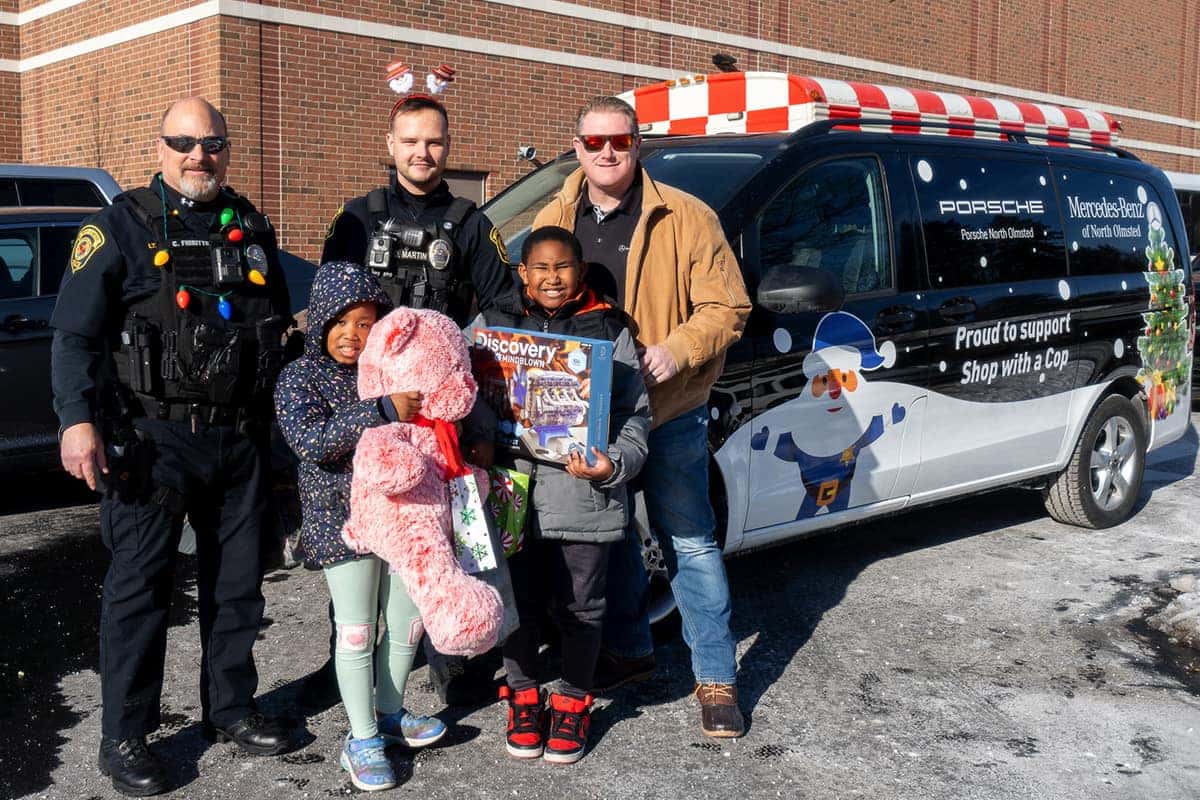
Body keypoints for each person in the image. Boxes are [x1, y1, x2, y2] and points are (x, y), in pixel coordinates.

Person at [51, 97, 294, 796]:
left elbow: (274, 324)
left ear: (226, 147)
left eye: (212, 141)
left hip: (238, 439)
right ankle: (125, 734)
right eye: (183, 142)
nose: (199, 155)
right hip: (151, 440)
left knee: (238, 586)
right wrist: (77, 420)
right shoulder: (118, 227)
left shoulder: (250, 226)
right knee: (141, 591)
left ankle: (230, 709)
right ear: (159, 147)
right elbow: (73, 336)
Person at [531, 96, 753, 738]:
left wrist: (674, 350)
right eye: (594, 140)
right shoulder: (555, 213)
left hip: (668, 408)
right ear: (576, 146)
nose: (606, 152)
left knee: (688, 539)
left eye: (620, 142)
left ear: (638, 146)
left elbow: (727, 307)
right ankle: (629, 652)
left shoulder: (685, 216)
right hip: (587, 416)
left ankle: (716, 678)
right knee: (612, 537)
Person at [315, 92, 516, 706]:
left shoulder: (471, 222)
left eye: (433, 141)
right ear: (390, 145)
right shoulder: (356, 219)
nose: (421, 152)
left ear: (447, 147)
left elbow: (503, 304)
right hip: (373, 407)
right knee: (372, 536)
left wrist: (472, 382)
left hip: (441, 412)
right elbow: (329, 310)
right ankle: (353, 670)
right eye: (410, 141)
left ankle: (457, 663)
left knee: (446, 532)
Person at [468, 226, 649, 764]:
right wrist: (476, 433)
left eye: (563, 267)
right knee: (514, 602)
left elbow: (636, 415)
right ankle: (524, 695)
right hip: (510, 490)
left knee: (583, 606)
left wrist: (612, 463)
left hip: (582, 495)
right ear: (523, 272)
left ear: (580, 271)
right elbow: (456, 385)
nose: (552, 278)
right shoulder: (491, 323)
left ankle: (572, 699)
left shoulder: (610, 330)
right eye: (540, 268)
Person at [274, 261, 446, 791]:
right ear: (320, 321)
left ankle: (391, 714)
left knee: (407, 619)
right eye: (341, 322)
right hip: (340, 522)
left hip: (400, 517)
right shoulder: (298, 376)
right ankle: (362, 736)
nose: (353, 335)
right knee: (357, 630)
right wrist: (379, 410)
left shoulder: (390, 369)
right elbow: (311, 442)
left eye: (367, 323)